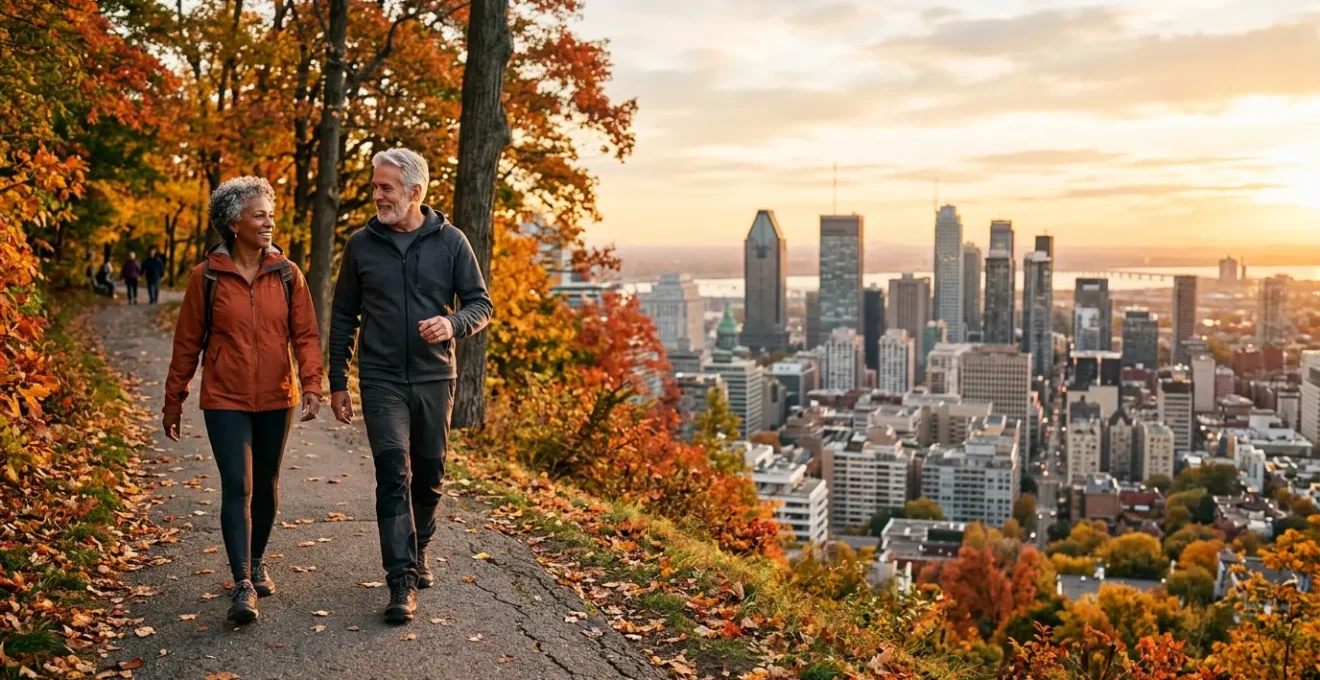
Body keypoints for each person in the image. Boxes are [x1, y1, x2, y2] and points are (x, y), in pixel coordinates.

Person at [328, 148, 492, 624]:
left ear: (415, 192)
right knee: (392, 471)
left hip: (434, 376)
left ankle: (418, 548)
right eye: (375, 186)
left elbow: (480, 304)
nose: (376, 195)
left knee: (429, 474)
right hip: (380, 379)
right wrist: (339, 380)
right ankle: (400, 578)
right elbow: (343, 316)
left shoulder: (452, 242)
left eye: (386, 187)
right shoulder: (361, 245)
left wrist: (453, 325)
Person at [162, 176, 324, 624]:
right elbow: (187, 343)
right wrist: (173, 400)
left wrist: (312, 384)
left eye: (270, 214)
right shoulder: (207, 276)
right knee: (239, 485)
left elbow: (306, 335)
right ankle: (242, 583)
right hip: (225, 397)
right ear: (234, 223)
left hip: (277, 395)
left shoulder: (288, 274)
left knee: (267, 485)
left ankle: (256, 561)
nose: (269, 222)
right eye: (259, 215)